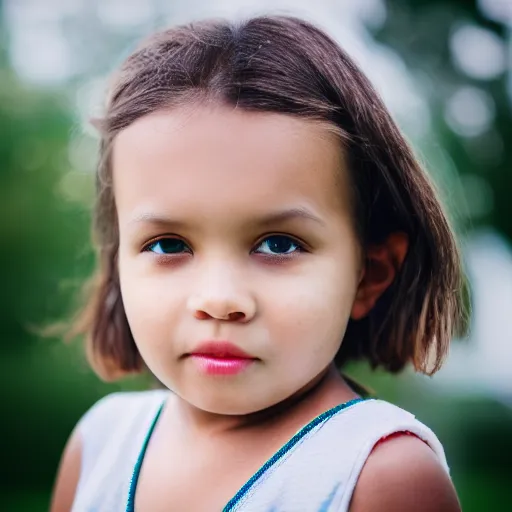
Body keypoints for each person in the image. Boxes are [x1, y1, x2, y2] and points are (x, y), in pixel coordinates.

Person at [50, 14, 468, 512]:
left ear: (369, 274)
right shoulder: (99, 444)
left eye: (278, 244)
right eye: (168, 245)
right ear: (118, 261)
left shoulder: (381, 476)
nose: (220, 299)